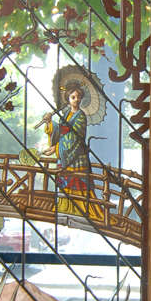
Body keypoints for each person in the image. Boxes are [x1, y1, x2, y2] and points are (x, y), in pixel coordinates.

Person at [42, 83, 91, 215]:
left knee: (77, 183)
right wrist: (49, 121)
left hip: (76, 155)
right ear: (68, 99)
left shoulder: (81, 116)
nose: (76, 100)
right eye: (73, 97)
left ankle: (79, 211)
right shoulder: (66, 114)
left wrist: (57, 148)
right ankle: (65, 208)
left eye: (78, 97)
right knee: (64, 184)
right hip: (65, 154)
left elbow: (76, 137)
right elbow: (60, 130)